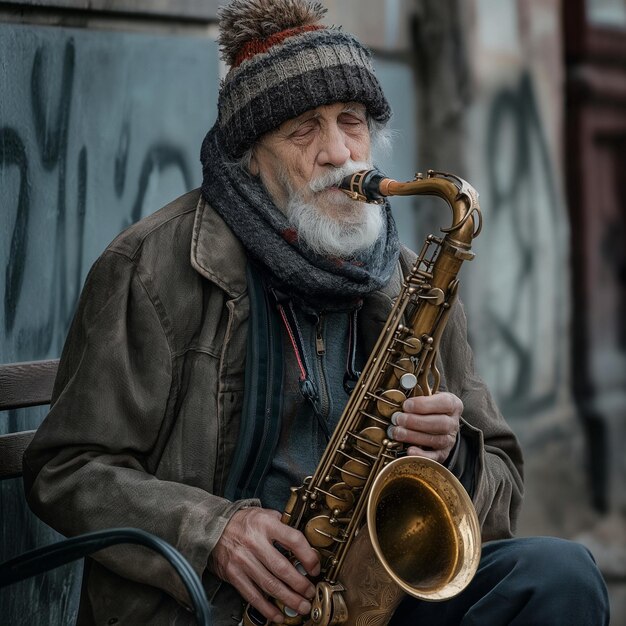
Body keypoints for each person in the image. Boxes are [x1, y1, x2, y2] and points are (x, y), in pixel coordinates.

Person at [23, 1, 609, 624]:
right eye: (305, 128)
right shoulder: (154, 266)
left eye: (351, 121)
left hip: (369, 599)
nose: (338, 152)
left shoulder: (414, 281)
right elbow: (66, 470)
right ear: (252, 154)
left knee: (561, 577)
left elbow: (502, 488)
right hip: (217, 606)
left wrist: (453, 457)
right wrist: (214, 533)